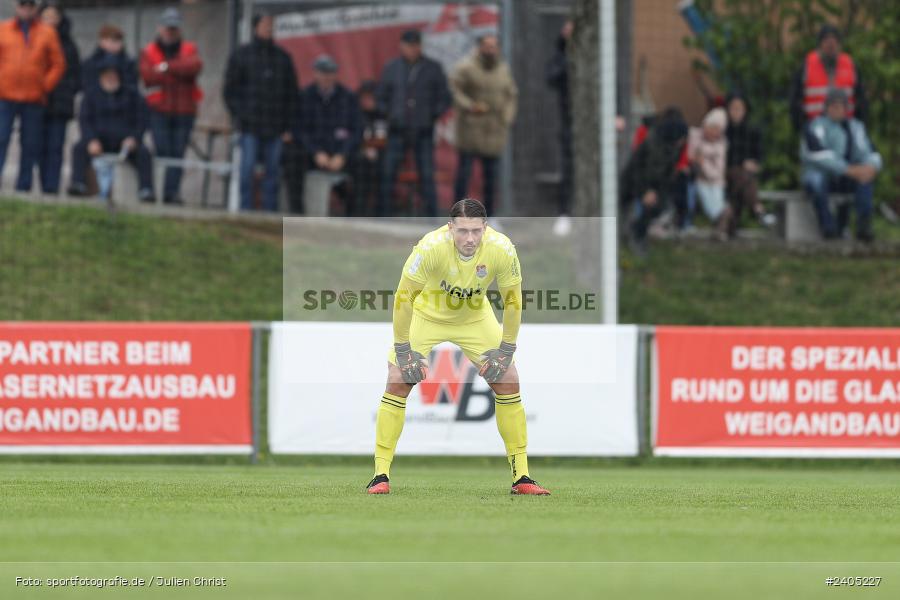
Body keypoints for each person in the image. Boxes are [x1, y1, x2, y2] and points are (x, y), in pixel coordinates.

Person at [367, 197, 550, 496]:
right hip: (427, 314)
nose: (469, 239)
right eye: (463, 231)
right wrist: (403, 350)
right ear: (450, 227)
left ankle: (523, 477)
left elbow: (513, 301)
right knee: (398, 379)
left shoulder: (502, 249)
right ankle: (380, 476)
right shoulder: (429, 247)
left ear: (485, 228)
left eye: (476, 231)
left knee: (509, 380)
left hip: (474, 317)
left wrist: (507, 349)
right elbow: (403, 299)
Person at [223, 12, 299, 212]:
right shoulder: (242, 55)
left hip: (275, 128)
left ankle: (270, 214)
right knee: (246, 171)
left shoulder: (282, 58)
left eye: (271, 24)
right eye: (265, 24)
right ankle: (245, 213)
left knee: (272, 174)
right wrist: (241, 116)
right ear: (255, 27)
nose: (269, 28)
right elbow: (229, 91)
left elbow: (292, 94)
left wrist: (287, 125)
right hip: (250, 127)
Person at [376, 29, 451, 217]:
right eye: (408, 45)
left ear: (420, 46)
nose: (412, 49)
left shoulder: (433, 68)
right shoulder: (391, 68)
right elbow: (380, 97)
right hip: (397, 129)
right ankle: (384, 214)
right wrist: (390, 114)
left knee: (426, 174)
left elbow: (445, 97)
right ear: (401, 46)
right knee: (388, 172)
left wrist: (431, 115)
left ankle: (432, 216)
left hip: (423, 130)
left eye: (415, 45)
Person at [449, 33, 517, 218]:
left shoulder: (503, 69)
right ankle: (457, 216)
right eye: (487, 46)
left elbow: (511, 94)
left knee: (491, 178)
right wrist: (470, 106)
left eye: (494, 46)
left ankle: (490, 216)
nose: (491, 49)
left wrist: (507, 117)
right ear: (479, 47)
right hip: (471, 129)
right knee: (464, 175)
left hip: (494, 130)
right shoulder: (466, 67)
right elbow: (455, 90)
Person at [139, 8, 202, 204]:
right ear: (160, 28)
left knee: (178, 154)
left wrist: (166, 67)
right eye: (167, 28)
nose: (170, 32)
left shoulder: (189, 49)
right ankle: (153, 191)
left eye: (174, 28)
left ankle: (171, 193)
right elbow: (149, 76)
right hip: (158, 110)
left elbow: (193, 67)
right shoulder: (149, 51)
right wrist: (177, 69)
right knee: (162, 150)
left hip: (184, 111)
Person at [0, 0, 64, 192]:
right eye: (23, 5)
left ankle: (24, 185)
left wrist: (44, 86)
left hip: (34, 98)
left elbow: (58, 64)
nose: (26, 9)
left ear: (36, 8)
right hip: (5, 95)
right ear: (17, 7)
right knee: (1, 138)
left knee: (30, 143)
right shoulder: (3, 29)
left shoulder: (47, 32)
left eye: (30, 5)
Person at [68, 60, 154, 202]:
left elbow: (142, 119)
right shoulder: (91, 95)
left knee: (144, 153)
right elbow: (84, 120)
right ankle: (78, 184)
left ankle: (146, 189)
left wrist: (134, 138)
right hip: (99, 140)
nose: (110, 78)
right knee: (79, 148)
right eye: (107, 75)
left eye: (113, 75)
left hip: (125, 142)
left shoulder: (132, 95)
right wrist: (91, 140)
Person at [801, 89, 880, 242]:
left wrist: (871, 167)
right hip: (823, 175)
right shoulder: (815, 126)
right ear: (826, 107)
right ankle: (828, 226)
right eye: (833, 105)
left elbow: (869, 152)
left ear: (846, 108)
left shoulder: (855, 127)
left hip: (846, 177)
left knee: (865, 178)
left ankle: (863, 226)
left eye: (840, 106)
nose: (837, 109)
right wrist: (847, 169)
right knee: (815, 180)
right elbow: (818, 155)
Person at [298, 55, 361, 215]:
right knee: (292, 163)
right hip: (313, 156)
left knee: (365, 167)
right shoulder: (306, 96)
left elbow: (357, 130)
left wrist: (342, 154)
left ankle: (355, 219)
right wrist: (316, 153)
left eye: (330, 72)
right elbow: (300, 130)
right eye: (322, 72)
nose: (326, 77)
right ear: (315, 73)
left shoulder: (348, 97)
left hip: (341, 156)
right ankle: (298, 214)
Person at [621, 108, 688, 255]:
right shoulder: (652, 143)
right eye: (681, 138)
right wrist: (644, 191)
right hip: (633, 181)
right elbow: (637, 170)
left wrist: (657, 192)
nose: (683, 141)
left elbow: (668, 174)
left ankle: (637, 233)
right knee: (620, 207)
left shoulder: (676, 148)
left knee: (659, 205)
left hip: (655, 185)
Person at [790, 24, 867, 132]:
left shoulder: (850, 66)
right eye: (826, 41)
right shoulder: (806, 67)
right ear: (820, 44)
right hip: (815, 128)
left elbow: (861, 100)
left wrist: (860, 125)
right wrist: (802, 128)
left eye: (834, 42)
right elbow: (795, 100)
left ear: (839, 45)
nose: (831, 46)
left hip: (846, 128)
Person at [36, 1, 79, 195]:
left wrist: (65, 90)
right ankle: (34, 184)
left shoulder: (68, 45)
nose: (50, 21)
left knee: (55, 147)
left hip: (60, 104)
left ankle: (51, 187)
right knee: (36, 146)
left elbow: (76, 75)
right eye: (46, 16)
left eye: (54, 16)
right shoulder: (33, 40)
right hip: (37, 102)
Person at [724, 93, 772, 235]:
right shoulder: (723, 130)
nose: (736, 112)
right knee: (741, 175)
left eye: (739, 109)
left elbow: (759, 157)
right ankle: (758, 209)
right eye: (733, 108)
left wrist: (754, 164)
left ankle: (729, 225)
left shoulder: (753, 130)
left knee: (742, 180)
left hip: (743, 177)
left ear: (745, 110)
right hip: (725, 172)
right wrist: (742, 163)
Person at [546, 19, 573, 235]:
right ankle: (564, 213)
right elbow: (552, 78)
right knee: (568, 167)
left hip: (595, 125)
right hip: (569, 121)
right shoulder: (560, 55)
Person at [688, 107, 732, 240]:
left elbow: (718, 171)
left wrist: (703, 163)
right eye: (712, 128)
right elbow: (690, 156)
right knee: (709, 201)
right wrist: (700, 162)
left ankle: (721, 225)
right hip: (698, 179)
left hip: (715, 179)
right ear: (705, 125)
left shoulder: (721, 144)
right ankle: (722, 221)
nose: (714, 132)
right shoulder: (694, 135)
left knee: (716, 199)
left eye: (718, 130)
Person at [354, 80, 387, 216]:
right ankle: (358, 212)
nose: (368, 101)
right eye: (365, 98)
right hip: (360, 156)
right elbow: (352, 139)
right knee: (361, 170)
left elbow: (387, 139)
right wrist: (364, 149)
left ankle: (381, 213)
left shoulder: (384, 114)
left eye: (371, 98)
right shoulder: (355, 115)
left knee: (384, 170)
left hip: (382, 155)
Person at [81, 24, 138, 92]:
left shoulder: (129, 62)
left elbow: (132, 85)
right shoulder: (90, 63)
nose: (112, 44)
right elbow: (87, 85)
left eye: (116, 40)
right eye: (108, 40)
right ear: (101, 41)